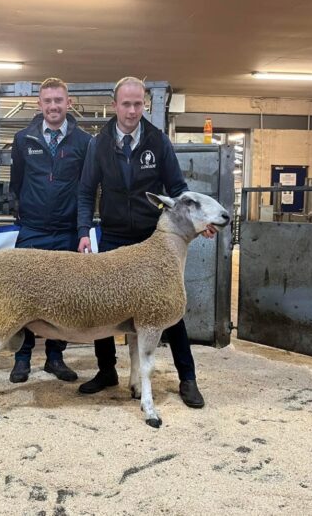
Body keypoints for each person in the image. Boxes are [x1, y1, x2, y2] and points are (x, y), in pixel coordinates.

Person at [76, 76, 216, 408]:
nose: (132, 110)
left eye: (138, 104)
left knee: (168, 306)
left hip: (152, 237)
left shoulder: (158, 141)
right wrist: (84, 230)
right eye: (126, 104)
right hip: (113, 234)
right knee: (103, 304)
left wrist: (200, 223)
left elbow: (179, 190)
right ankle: (107, 370)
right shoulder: (99, 144)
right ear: (115, 105)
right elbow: (85, 192)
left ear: (145, 105)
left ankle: (188, 378)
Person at [7, 77, 92, 383]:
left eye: (59, 100)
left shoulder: (84, 143)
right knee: (25, 295)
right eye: (48, 101)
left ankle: (55, 357)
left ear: (68, 104)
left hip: (67, 231)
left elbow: (86, 190)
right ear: (39, 104)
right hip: (33, 230)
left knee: (64, 297)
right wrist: (28, 214)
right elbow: (16, 182)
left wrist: (83, 229)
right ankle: (22, 357)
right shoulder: (23, 139)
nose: (54, 106)